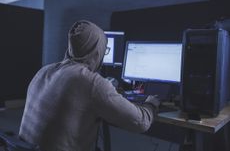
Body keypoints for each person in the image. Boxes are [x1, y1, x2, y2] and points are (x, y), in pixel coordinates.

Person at [19, 20, 161, 151]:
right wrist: (151, 104)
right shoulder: (91, 82)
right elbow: (141, 123)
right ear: (97, 50)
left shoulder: (44, 70)